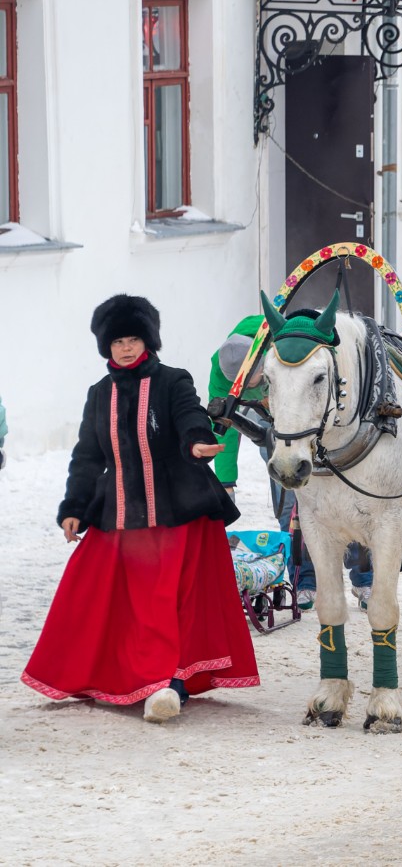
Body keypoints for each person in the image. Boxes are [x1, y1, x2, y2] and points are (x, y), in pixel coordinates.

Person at [22, 294, 259, 724]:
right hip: (119, 511)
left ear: (148, 341)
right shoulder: (99, 395)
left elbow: (190, 416)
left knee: (170, 598)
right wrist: (74, 507)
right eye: (118, 342)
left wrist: (197, 440)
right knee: (93, 593)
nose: (126, 348)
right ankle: (125, 675)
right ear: (106, 348)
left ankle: (170, 682)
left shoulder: (172, 380)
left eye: (134, 339)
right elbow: (88, 456)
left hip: (177, 509)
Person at [208, 315, 266, 498]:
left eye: (249, 383)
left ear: (263, 367)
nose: (246, 388)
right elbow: (223, 426)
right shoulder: (221, 371)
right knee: (270, 450)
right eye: (239, 386)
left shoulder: (283, 352)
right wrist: (225, 484)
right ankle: (287, 522)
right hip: (264, 407)